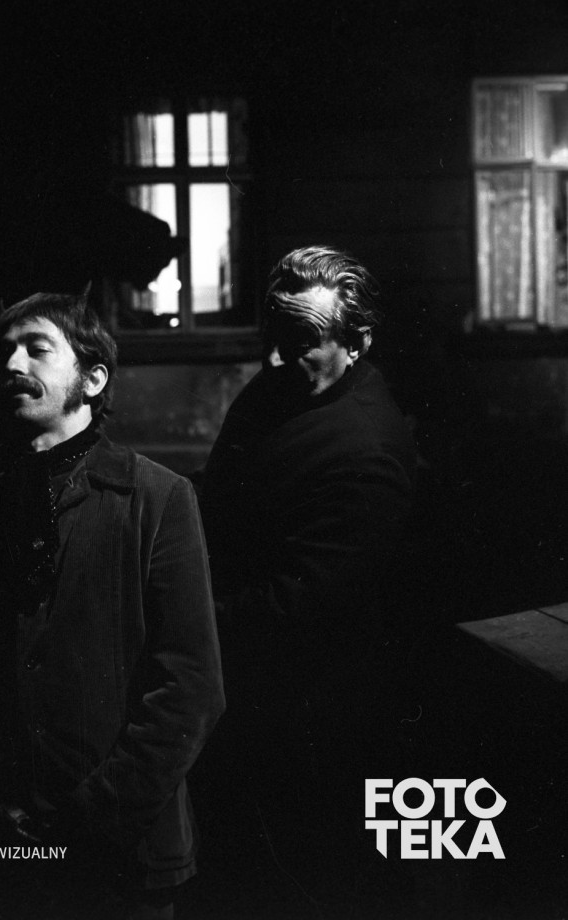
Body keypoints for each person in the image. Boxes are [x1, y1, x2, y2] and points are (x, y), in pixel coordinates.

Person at [0, 290, 225, 919]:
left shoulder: (157, 499)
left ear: (92, 379)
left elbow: (191, 687)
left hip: (123, 858)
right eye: (5, 351)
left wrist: (86, 819)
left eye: (37, 348)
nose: (13, 364)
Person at [199, 245, 417, 917]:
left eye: (297, 343)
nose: (271, 358)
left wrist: (178, 617)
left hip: (304, 721)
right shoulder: (283, 386)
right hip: (246, 696)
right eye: (270, 336)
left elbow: (297, 609)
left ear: (357, 342)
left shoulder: (366, 450)